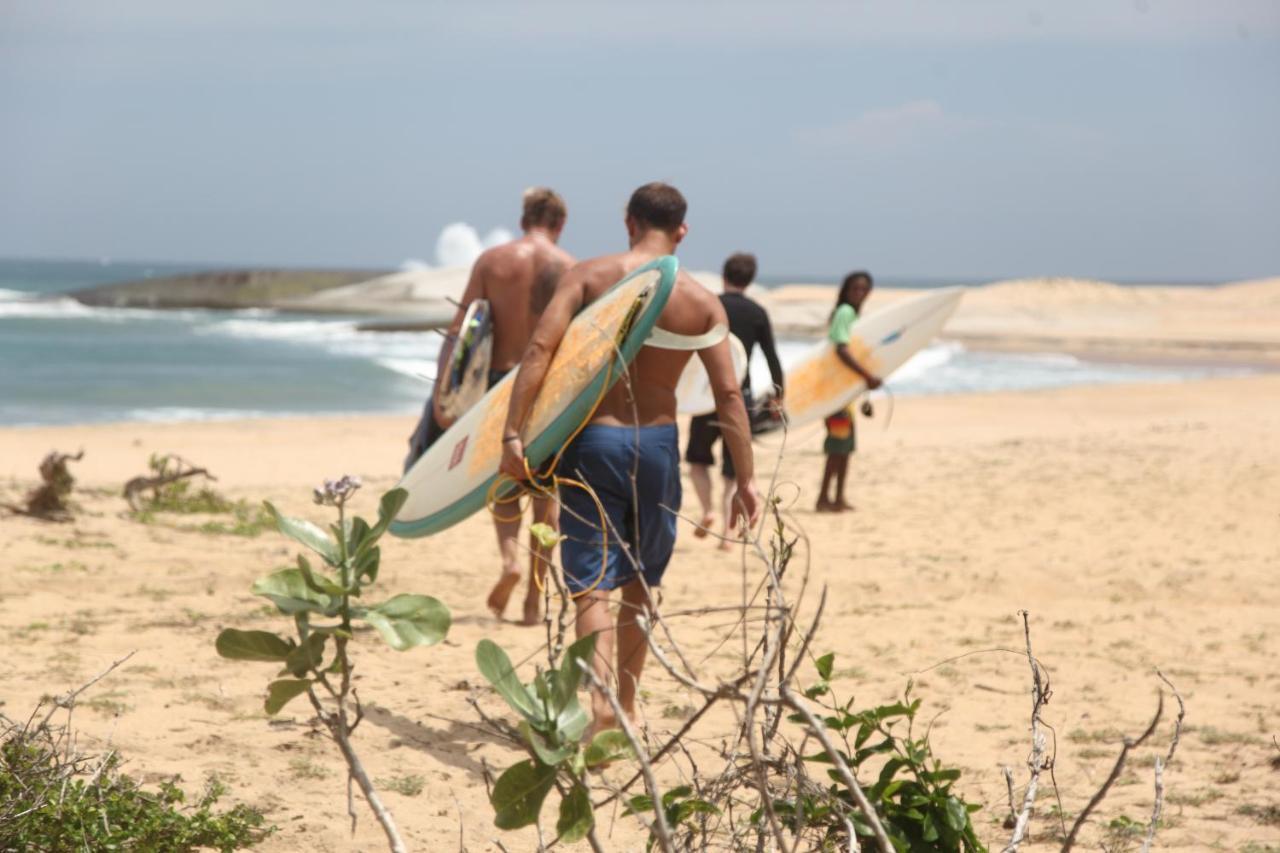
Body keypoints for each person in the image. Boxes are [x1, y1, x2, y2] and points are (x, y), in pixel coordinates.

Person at [499, 182, 762, 735]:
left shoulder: (590, 277)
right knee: (641, 582)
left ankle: (597, 706)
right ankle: (627, 703)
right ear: (683, 231)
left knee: (591, 585)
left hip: (594, 441)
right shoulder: (701, 301)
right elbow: (729, 396)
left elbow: (539, 351)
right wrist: (746, 479)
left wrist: (512, 435)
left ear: (628, 221)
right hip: (659, 448)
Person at [406, 187, 575, 625]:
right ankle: (535, 598)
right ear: (560, 224)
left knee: (504, 482)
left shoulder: (493, 261)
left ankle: (509, 562)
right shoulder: (570, 267)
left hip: (499, 385)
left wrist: (444, 395)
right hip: (547, 386)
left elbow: (460, 331)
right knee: (546, 494)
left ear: (524, 221)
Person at [685, 252, 784, 550]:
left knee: (697, 461)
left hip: (705, 395)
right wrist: (779, 396)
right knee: (733, 471)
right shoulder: (757, 312)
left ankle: (708, 511)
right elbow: (771, 357)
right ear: (750, 280)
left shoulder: (710, 305)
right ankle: (728, 536)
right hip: (740, 398)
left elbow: (689, 353)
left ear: (724, 275)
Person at [817, 270, 882, 512]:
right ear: (846, 290)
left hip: (844, 395)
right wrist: (867, 376)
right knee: (837, 447)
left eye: (864, 289)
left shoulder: (853, 314)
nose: (860, 293)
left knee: (845, 448)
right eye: (855, 288)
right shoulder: (845, 313)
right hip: (835, 396)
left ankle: (838, 498)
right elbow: (841, 350)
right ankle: (824, 498)